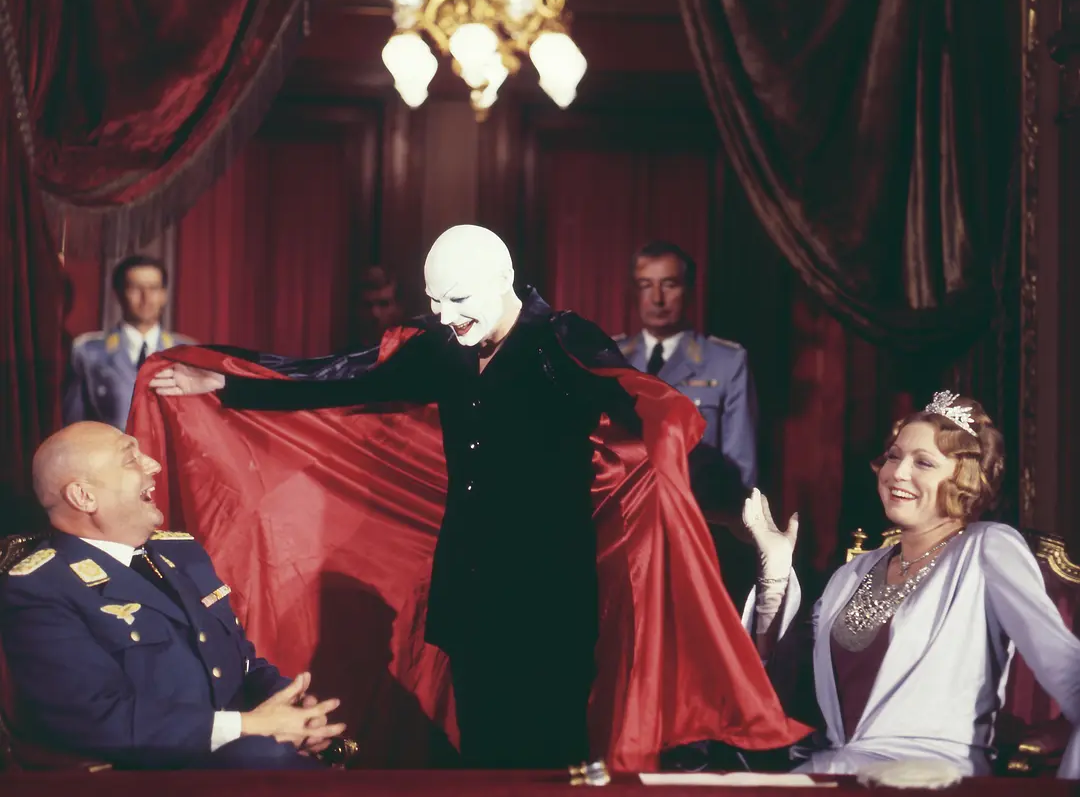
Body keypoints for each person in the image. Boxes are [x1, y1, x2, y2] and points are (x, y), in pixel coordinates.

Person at [144, 224, 810, 771]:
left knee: (546, 758)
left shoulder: (559, 341)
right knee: (484, 757)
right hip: (468, 592)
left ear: (502, 281)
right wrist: (228, 385)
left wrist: (722, 501)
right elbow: (343, 378)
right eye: (435, 300)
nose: (444, 315)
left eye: (458, 298)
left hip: (549, 598)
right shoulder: (446, 347)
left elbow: (650, 412)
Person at [741, 392, 1080, 778]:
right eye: (893, 456)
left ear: (964, 478)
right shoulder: (853, 573)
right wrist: (775, 576)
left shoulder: (988, 547)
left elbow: (1068, 674)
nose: (898, 473)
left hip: (936, 778)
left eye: (923, 462)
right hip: (837, 772)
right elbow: (785, 684)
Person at [0, 422, 345, 770]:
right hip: (150, 777)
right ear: (84, 497)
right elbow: (98, 720)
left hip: (248, 763)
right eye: (131, 459)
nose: (153, 465)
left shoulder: (182, 554)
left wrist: (293, 711)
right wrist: (249, 727)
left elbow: (242, 664)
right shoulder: (41, 588)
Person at [617, 241, 758, 491]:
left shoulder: (726, 363)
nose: (657, 299)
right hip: (624, 507)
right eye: (646, 285)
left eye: (669, 285)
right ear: (634, 293)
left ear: (689, 291)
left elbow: (741, 468)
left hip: (696, 508)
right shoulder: (611, 359)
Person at [62, 255, 195, 431]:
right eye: (135, 288)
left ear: (164, 295)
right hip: (110, 447)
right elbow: (74, 425)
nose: (146, 297)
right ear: (118, 293)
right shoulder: (88, 352)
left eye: (153, 288)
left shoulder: (186, 352)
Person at [353, 265, 405, 349]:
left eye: (383, 304)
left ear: (398, 309)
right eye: (367, 305)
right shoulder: (344, 357)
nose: (375, 314)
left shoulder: (415, 353)